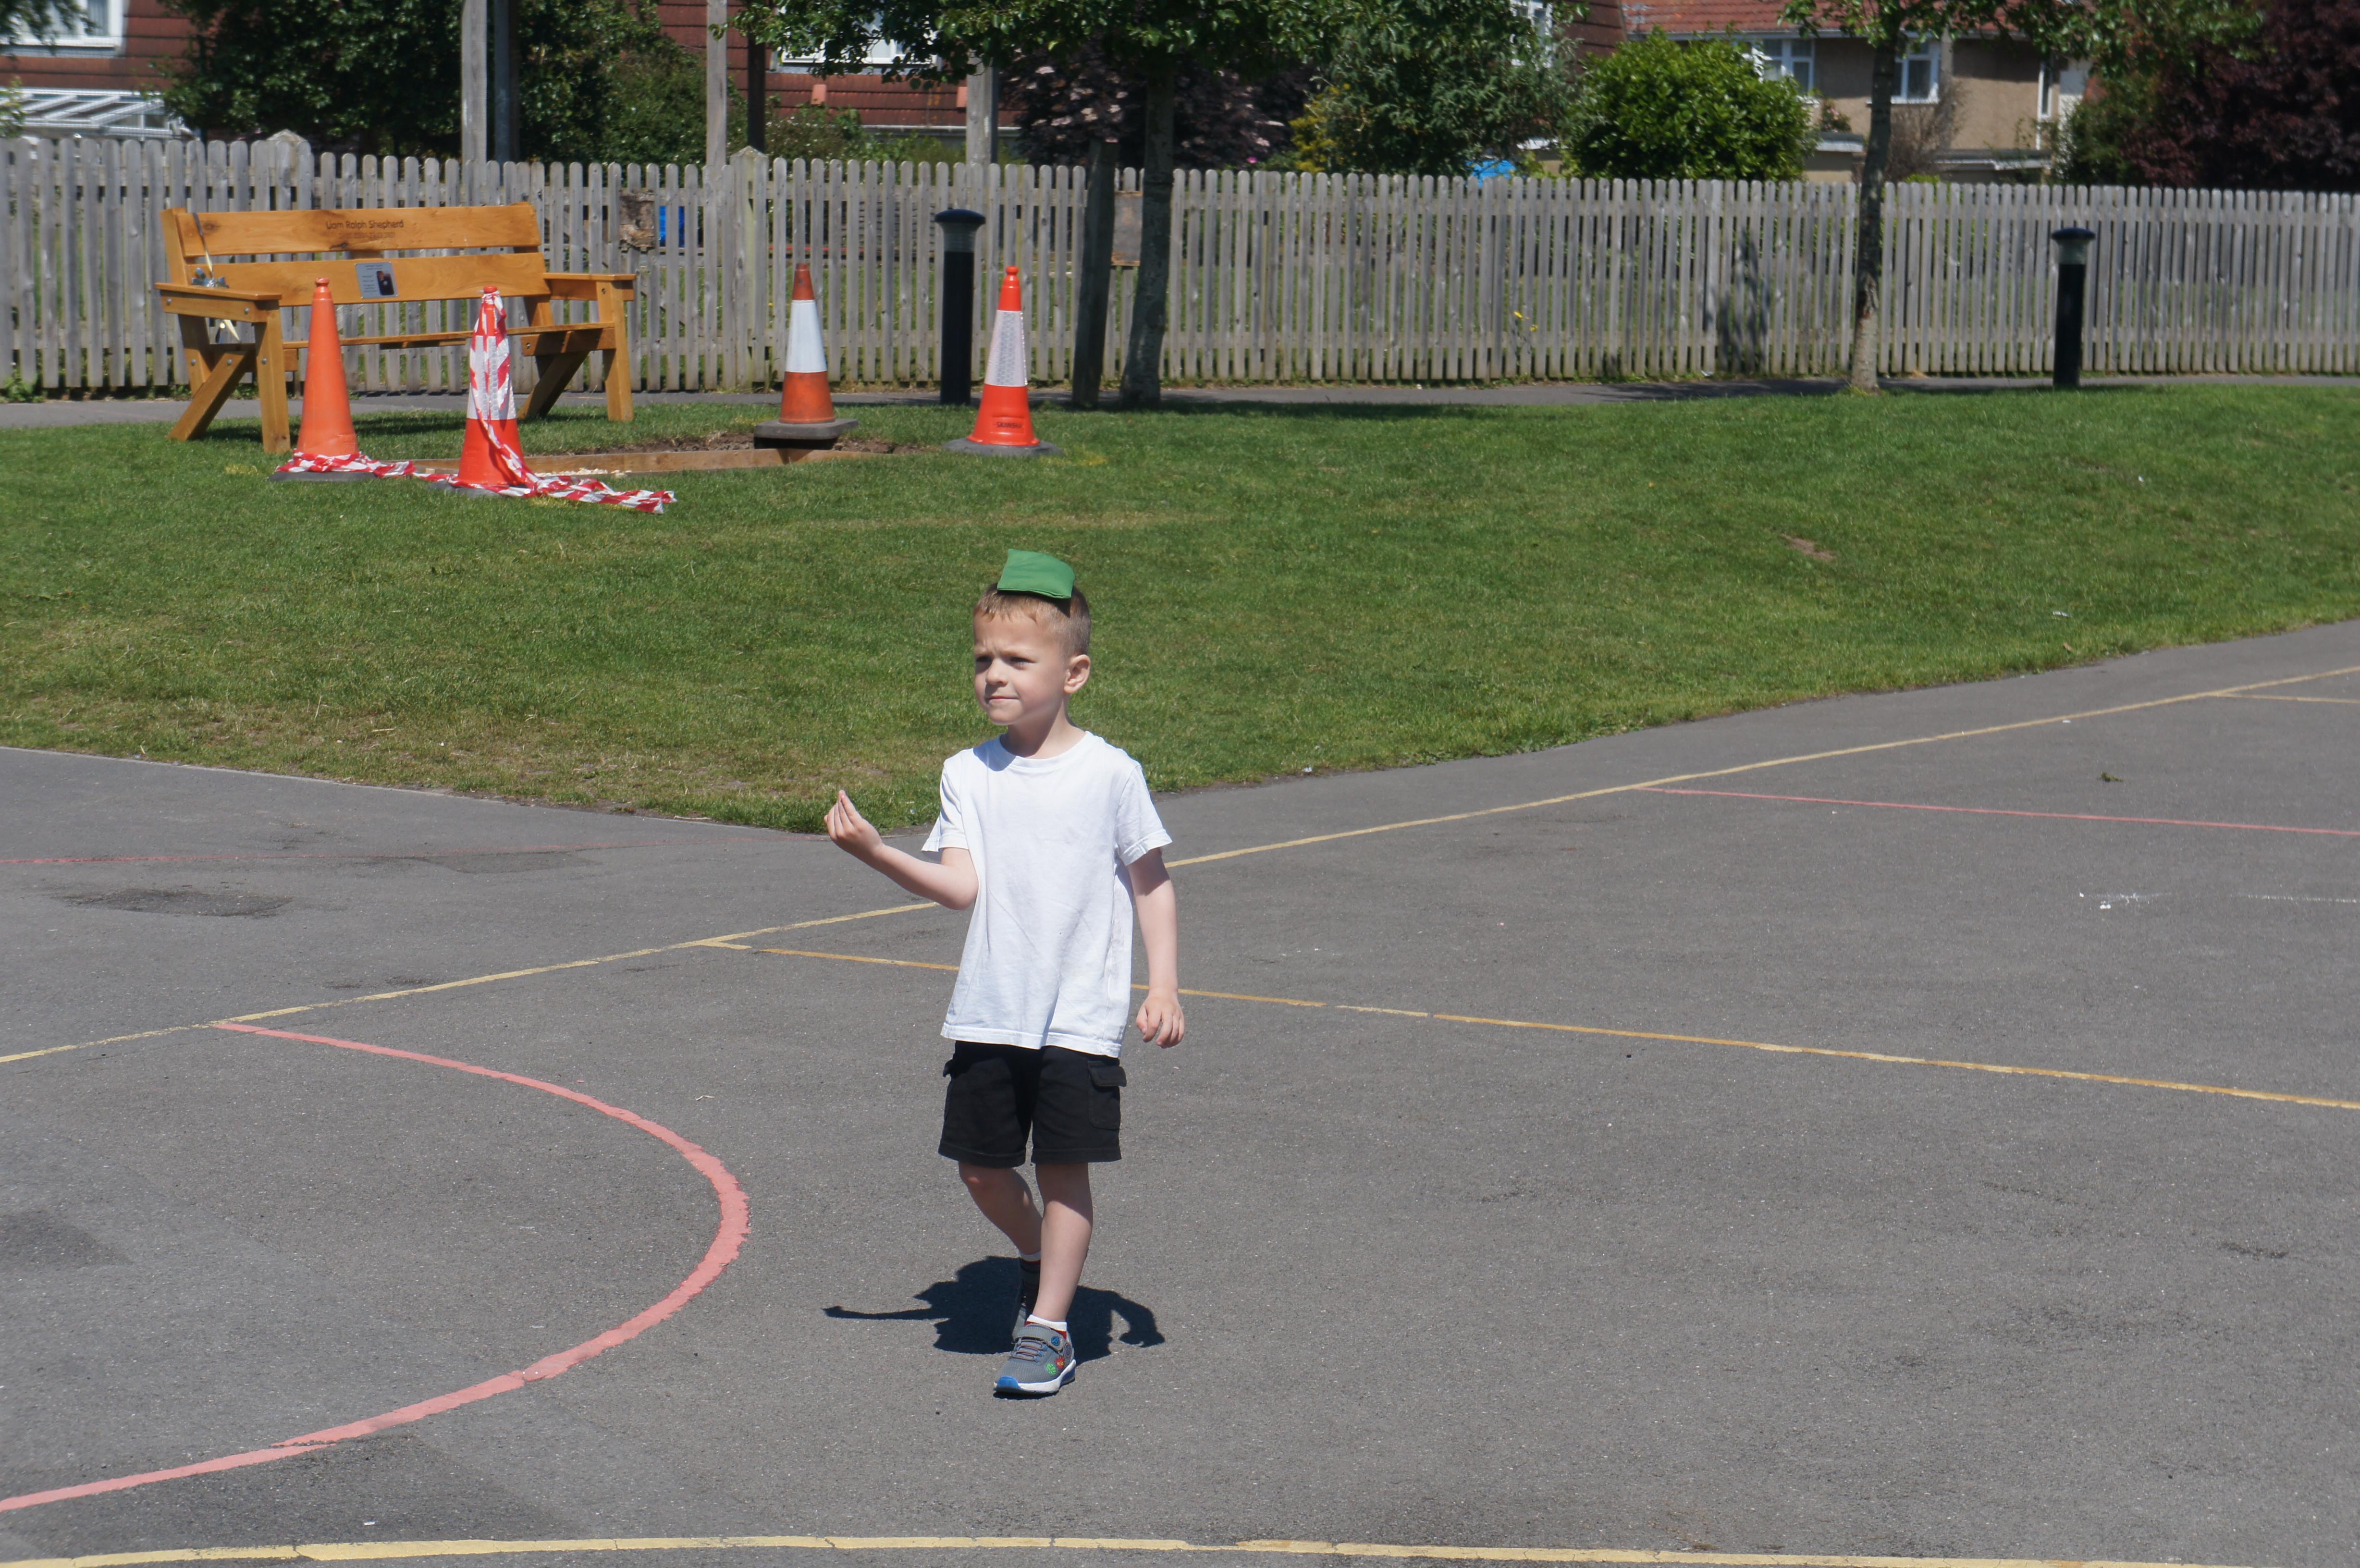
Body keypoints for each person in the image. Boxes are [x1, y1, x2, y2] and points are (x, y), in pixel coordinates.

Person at [824, 549, 1183, 1396]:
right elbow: (960, 889)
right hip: (992, 1011)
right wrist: (875, 852)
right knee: (982, 1169)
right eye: (983, 658)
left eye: (1018, 660)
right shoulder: (967, 773)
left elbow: (1152, 883)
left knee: (1063, 1172)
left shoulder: (1111, 774)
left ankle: (1050, 1330)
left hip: (1079, 1017)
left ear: (1074, 673)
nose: (995, 675)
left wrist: (1164, 985)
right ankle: (1036, 1259)